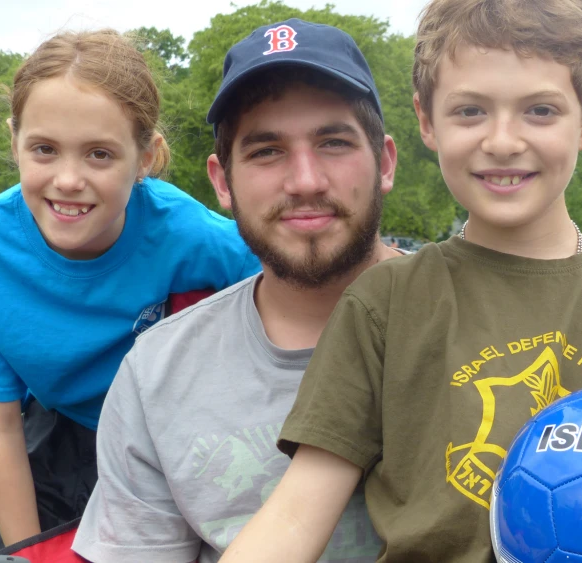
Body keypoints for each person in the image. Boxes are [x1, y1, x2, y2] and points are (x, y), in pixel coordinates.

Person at [219, 0, 582, 561]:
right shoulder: (385, 302)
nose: (504, 141)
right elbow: (295, 515)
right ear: (425, 120)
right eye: (470, 112)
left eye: (540, 110)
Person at [72, 20, 401, 562]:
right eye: (266, 151)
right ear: (222, 181)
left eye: (334, 142)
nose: (305, 180)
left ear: (384, 161)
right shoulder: (158, 373)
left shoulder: (479, 325)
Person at [0, 30, 261, 553]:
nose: (68, 179)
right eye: (44, 149)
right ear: (15, 142)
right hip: (55, 436)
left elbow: (291, 284)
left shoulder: (187, 233)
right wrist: (29, 551)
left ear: (146, 158)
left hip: (171, 439)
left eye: (99, 154)